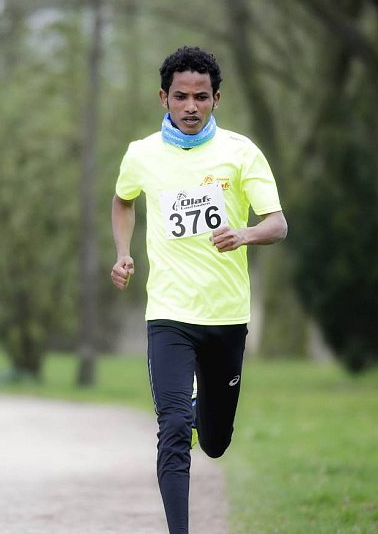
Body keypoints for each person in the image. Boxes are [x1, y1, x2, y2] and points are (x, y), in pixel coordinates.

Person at [110, 46, 288, 533]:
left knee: (214, 442)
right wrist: (123, 253)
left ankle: (199, 415)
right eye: (181, 97)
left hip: (226, 317)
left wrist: (244, 234)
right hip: (169, 313)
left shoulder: (240, 152)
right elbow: (123, 200)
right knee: (171, 429)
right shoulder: (142, 154)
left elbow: (277, 223)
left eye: (202, 97)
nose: (191, 107)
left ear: (216, 99)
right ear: (163, 98)